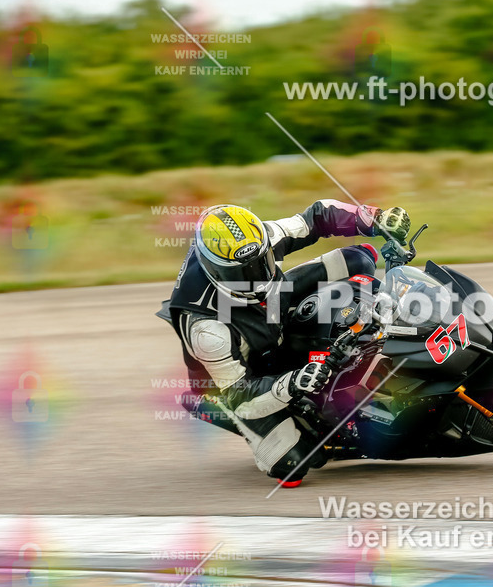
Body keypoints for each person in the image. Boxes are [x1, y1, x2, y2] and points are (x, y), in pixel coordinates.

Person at [157, 200, 410, 487]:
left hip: (271, 311)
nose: (256, 277)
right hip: (235, 383)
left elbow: (318, 216)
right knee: (295, 463)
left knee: (360, 260)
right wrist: (293, 383)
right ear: (215, 273)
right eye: (242, 274)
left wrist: (374, 219)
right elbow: (240, 397)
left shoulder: (263, 237)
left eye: (261, 263)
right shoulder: (205, 329)